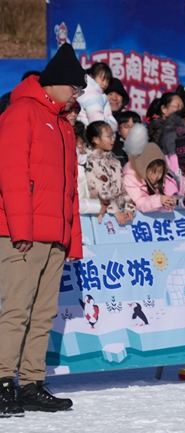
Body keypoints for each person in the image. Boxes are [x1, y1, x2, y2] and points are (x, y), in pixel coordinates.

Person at [0, 43, 87, 413]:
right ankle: (3, 379)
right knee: (17, 308)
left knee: (44, 311)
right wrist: (20, 230)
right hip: (24, 233)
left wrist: (72, 241)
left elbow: (69, 191)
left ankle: (31, 381)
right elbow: (12, 174)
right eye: (74, 86)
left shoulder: (63, 124)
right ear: (56, 82)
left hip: (54, 235)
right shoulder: (22, 112)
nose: (77, 93)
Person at [84, 121, 135, 225]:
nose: (113, 139)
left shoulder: (115, 161)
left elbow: (123, 188)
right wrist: (115, 212)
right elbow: (98, 190)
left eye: (113, 135)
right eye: (109, 136)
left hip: (120, 215)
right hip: (102, 217)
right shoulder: (89, 162)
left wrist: (129, 208)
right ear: (96, 140)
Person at [122, 142, 185, 213]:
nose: (156, 176)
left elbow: (160, 201)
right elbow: (138, 203)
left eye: (160, 172)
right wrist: (159, 200)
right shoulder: (131, 177)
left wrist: (166, 204)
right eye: (153, 171)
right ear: (145, 167)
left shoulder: (161, 180)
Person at [77, 62, 117, 132]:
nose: (105, 84)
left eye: (107, 81)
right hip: (92, 134)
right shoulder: (92, 94)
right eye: (102, 79)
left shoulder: (93, 92)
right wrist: (110, 126)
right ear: (92, 76)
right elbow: (97, 123)